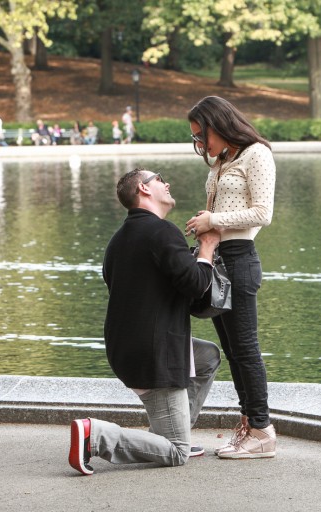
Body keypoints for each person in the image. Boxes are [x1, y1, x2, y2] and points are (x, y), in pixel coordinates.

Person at [68, 168, 222, 475]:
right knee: (177, 453)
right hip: (156, 356)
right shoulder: (162, 231)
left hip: (126, 348)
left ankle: (172, 432)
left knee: (207, 357)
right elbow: (195, 284)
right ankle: (96, 437)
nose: (167, 183)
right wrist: (207, 247)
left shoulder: (118, 239)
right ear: (144, 188)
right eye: (160, 179)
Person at [185, 96, 277, 459]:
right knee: (234, 351)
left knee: (246, 349)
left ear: (218, 126)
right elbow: (220, 209)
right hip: (218, 257)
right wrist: (204, 221)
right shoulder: (223, 160)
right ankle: (248, 424)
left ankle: (262, 429)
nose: (200, 145)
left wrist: (215, 221)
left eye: (200, 135)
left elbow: (262, 213)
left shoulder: (257, 154)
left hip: (239, 258)